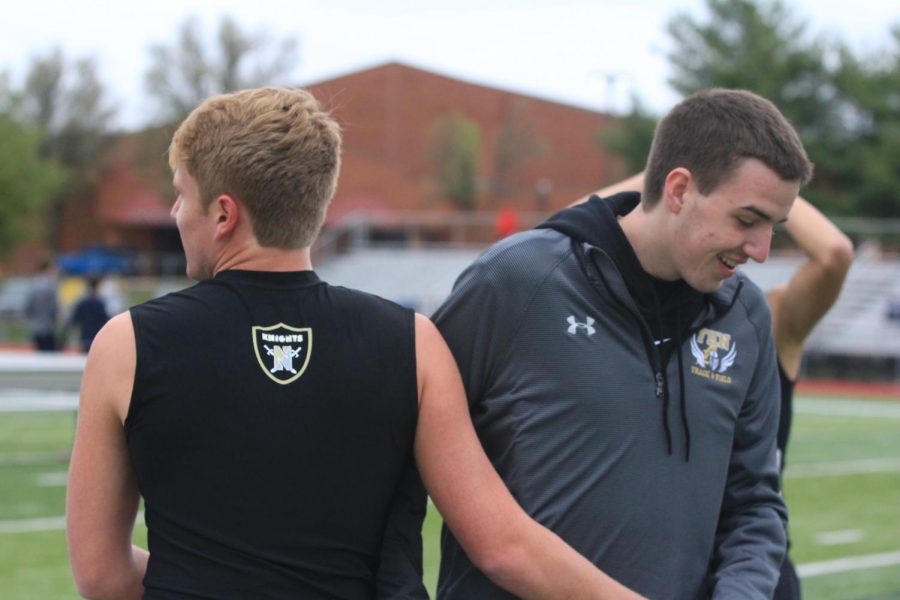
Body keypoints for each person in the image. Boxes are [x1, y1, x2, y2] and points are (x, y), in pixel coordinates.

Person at [66, 87, 643, 600]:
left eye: (180, 195)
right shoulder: (412, 343)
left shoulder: (128, 344)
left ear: (223, 214)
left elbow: (101, 576)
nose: (173, 213)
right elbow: (502, 546)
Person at [432, 88, 813, 599]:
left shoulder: (746, 316)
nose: (761, 251)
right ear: (678, 189)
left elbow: (754, 502)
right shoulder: (519, 280)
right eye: (746, 221)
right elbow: (401, 451)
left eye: (773, 227)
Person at [577, 174, 854, 599]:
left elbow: (833, 253)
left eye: (764, 226)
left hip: (753, 567)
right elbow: (566, 233)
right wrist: (664, 172)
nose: (752, 250)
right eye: (744, 220)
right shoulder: (627, 309)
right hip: (659, 568)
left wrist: (754, 183)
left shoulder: (769, 317)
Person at [67, 276, 111, 353]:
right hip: (98, 335)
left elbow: (75, 319)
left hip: (85, 335)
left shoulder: (82, 302)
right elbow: (106, 319)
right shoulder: (101, 303)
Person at [24, 258, 59, 352]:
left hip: (36, 326)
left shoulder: (34, 283)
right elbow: (54, 307)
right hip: (48, 326)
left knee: (40, 354)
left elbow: (28, 307)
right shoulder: (50, 284)